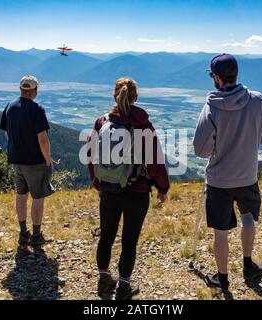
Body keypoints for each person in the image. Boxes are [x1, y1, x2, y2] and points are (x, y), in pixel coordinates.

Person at [193, 54, 262, 291]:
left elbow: (200, 150)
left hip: (219, 180)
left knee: (221, 230)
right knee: (248, 217)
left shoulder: (211, 107)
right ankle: (248, 266)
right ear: (235, 74)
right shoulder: (258, 101)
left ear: (216, 77)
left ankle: (222, 278)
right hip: (248, 175)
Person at [88, 77, 170, 300]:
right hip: (137, 191)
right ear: (136, 97)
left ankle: (104, 279)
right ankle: (123, 287)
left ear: (114, 95)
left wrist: (97, 182)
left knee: (106, 236)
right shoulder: (143, 125)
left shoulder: (101, 122)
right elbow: (155, 162)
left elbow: (90, 155)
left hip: (109, 190)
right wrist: (163, 188)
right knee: (129, 240)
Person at [0, 75, 56, 249]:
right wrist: (47, 159)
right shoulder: (37, 109)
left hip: (16, 160)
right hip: (35, 162)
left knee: (21, 195)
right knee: (38, 197)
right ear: (35, 90)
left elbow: (7, 133)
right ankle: (37, 236)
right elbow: (43, 138)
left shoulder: (9, 107)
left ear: (21, 89)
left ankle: (23, 233)